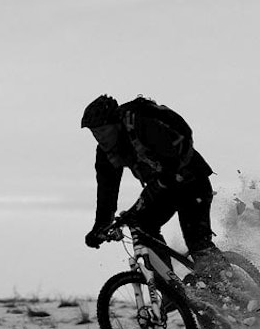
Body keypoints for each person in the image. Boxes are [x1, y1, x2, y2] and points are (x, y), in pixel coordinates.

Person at [80, 94, 230, 290]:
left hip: (192, 182)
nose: (99, 138)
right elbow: (107, 190)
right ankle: (171, 290)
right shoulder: (106, 153)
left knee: (197, 243)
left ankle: (232, 288)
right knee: (141, 224)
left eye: (102, 131)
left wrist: (164, 179)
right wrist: (100, 225)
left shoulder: (141, 125)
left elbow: (177, 147)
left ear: (115, 124)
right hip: (164, 189)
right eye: (94, 133)